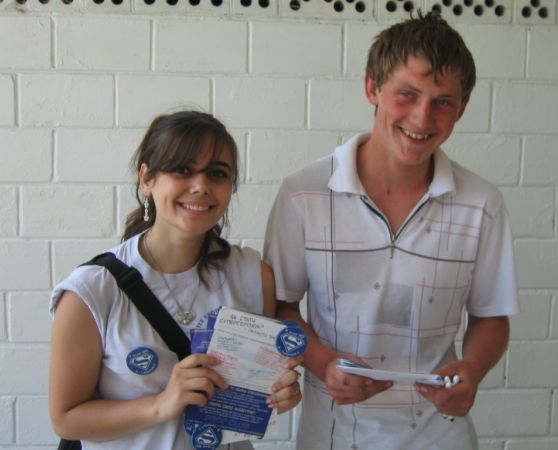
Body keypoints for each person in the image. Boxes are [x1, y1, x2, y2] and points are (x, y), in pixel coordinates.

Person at [263, 10, 518, 450]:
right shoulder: (302, 194)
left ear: (462, 108)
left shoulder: (482, 204)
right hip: (333, 435)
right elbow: (280, 307)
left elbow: (491, 316)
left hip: (440, 436)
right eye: (407, 94)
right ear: (372, 88)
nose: (422, 118)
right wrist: (323, 364)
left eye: (443, 102)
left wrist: (473, 369)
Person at [49, 111, 302, 450]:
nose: (201, 186)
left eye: (217, 173)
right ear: (147, 179)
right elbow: (65, 418)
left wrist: (278, 394)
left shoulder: (253, 275)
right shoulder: (92, 289)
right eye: (183, 169)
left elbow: (252, 393)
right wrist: (161, 404)